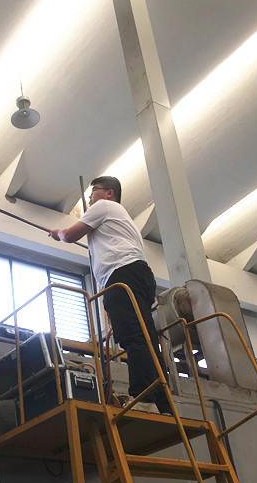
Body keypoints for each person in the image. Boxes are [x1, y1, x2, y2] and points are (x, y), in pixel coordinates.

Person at [49, 176, 171, 414]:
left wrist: (57, 233)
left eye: (93, 191)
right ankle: (161, 402)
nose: (89, 198)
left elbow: (70, 236)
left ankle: (144, 398)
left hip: (122, 274)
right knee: (145, 337)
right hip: (136, 275)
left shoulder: (104, 206)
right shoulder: (119, 218)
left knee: (134, 337)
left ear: (109, 193)